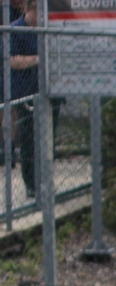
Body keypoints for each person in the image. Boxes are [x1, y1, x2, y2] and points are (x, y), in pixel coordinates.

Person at [5, 0, 41, 204]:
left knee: (46, 138)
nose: (39, 15)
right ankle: (32, 185)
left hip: (48, 90)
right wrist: (38, 59)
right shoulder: (15, 30)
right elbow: (12, 59)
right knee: (28, 139)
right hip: (26, 92)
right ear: (27, 9)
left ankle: (44, 180)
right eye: (36, 10)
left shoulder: (49, 28)